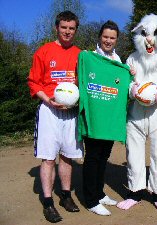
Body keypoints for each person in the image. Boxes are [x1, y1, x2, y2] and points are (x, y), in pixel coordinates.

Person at [116, 14, 157, 212]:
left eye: (154, 34)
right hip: (136, 114)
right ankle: (135, 191)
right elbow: (126, 82)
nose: (149, 39)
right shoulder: (133, 58)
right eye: (144, 34)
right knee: (134, 153)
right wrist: (132, 90)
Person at [27, 11, 83, 223]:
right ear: (56, 28)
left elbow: (85, 82)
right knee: (49, 158)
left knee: (68, 155)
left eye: (71, 28)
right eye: (64, 27)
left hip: (70, 112)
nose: (67, 31)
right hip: (49, 110)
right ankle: (49, 201)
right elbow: (33, 81)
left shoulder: (81, 54)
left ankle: (66, 196)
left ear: (75, 30)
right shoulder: (43, 51)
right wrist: (48, 100)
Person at [78, 20, 131, 216]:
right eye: (105, 37)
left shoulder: (119, 63)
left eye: (112, 38)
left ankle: (99, 194)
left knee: (103, 157)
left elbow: (126, 86)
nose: (108, 41)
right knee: (92, 157)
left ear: (117, 40)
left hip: (109, 120)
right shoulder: (88, 58)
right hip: (94, 118)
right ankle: (90, 200)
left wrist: (130, 74)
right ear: (99, 37)